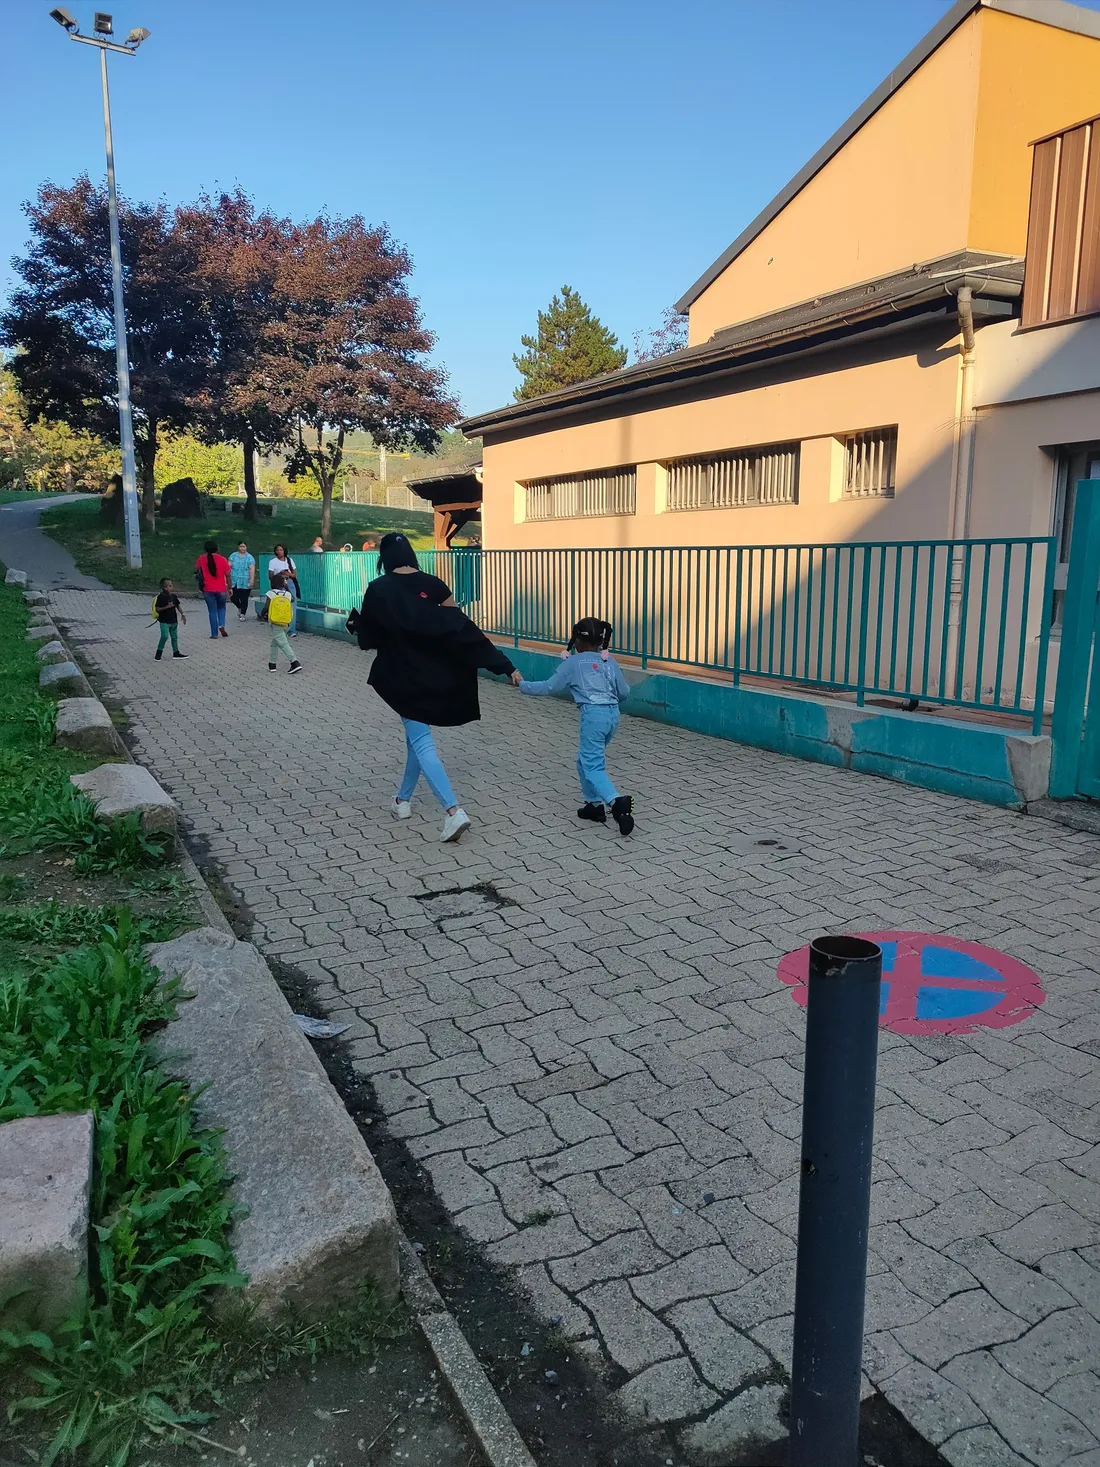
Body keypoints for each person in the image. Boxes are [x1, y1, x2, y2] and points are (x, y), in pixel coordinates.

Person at [353, 531, 520, 842]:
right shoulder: (436, 586)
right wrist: (504, 666)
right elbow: (463, 630)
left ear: (384, 558)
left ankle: (453, 811)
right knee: (415, 740)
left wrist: (357, 625)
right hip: (437, 676)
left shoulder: (378, 589)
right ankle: (402, 801)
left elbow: (368, 639)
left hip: (402, 678)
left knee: (422, 742)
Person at [519, 616, 634, 835]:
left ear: (577, 641)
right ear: (600, 641)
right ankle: (594, 806)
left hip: (593, 717)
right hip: (612, 716)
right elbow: (625, 692)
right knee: (584, 760)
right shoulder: (609, 661)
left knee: (593, 766)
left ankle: (616, 802)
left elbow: (549, 687)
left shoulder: (572, 663)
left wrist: (522, 685)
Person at [263, 572, 302, 674]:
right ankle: (272, 664)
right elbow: (293, 599)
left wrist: (261, 614)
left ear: (272, 584)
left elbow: (266, 607)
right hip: (286, 622)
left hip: (275, 622)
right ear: (283, 584)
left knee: (283, 643)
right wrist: (287, 588)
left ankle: (294, 662)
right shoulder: (287, 594)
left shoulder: (271, 593)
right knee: (275, 643)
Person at [195, 539, 231, 639]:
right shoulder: (222, 559)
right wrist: (230, 588)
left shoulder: (202, 559)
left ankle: (214, 634)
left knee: (212, 611)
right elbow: (228, 575)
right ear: (217, 548)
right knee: (222, 608)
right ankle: (221, 625)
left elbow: (196, 570)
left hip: (207, 589)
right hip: (221, 588)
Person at [152, 577, 188, 660]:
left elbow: (177, 606)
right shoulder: (161, 597)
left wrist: (183, 614)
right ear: (164, 587)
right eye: (168, 586)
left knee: (174, 637)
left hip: (173, 620)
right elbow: (157, 609)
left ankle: (176, 652)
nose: (170, 587)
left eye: (171, 585)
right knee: (164, 636)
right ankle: (158, 653)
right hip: (164, 621)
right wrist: (166, 607)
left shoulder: (174, 596)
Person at [267, 543, 299, 634]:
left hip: (289, 582)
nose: (279, 552)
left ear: (284, 551)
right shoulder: (273, 562)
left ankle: (291, 630)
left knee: (292, 604)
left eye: (281, 550)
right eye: (277, 550)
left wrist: (288, 574)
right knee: (280, 604)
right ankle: (280, 625)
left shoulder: (289, 560)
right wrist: (280, 574)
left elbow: (294, 574)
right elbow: (270, 576)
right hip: (279, 584)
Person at [228, 540, 256, 620]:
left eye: (244, 546)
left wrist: (251, 580)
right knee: (233, 597)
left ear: (246, 547)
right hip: (234, 580)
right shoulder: (233, 556)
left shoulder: (249, 557)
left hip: (245, 581)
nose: (242, 548)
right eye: (241, 546)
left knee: (244, 598)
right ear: (238, 547)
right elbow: (228, 566)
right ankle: (239, 607)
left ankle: (243, 613)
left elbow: (252, 569)